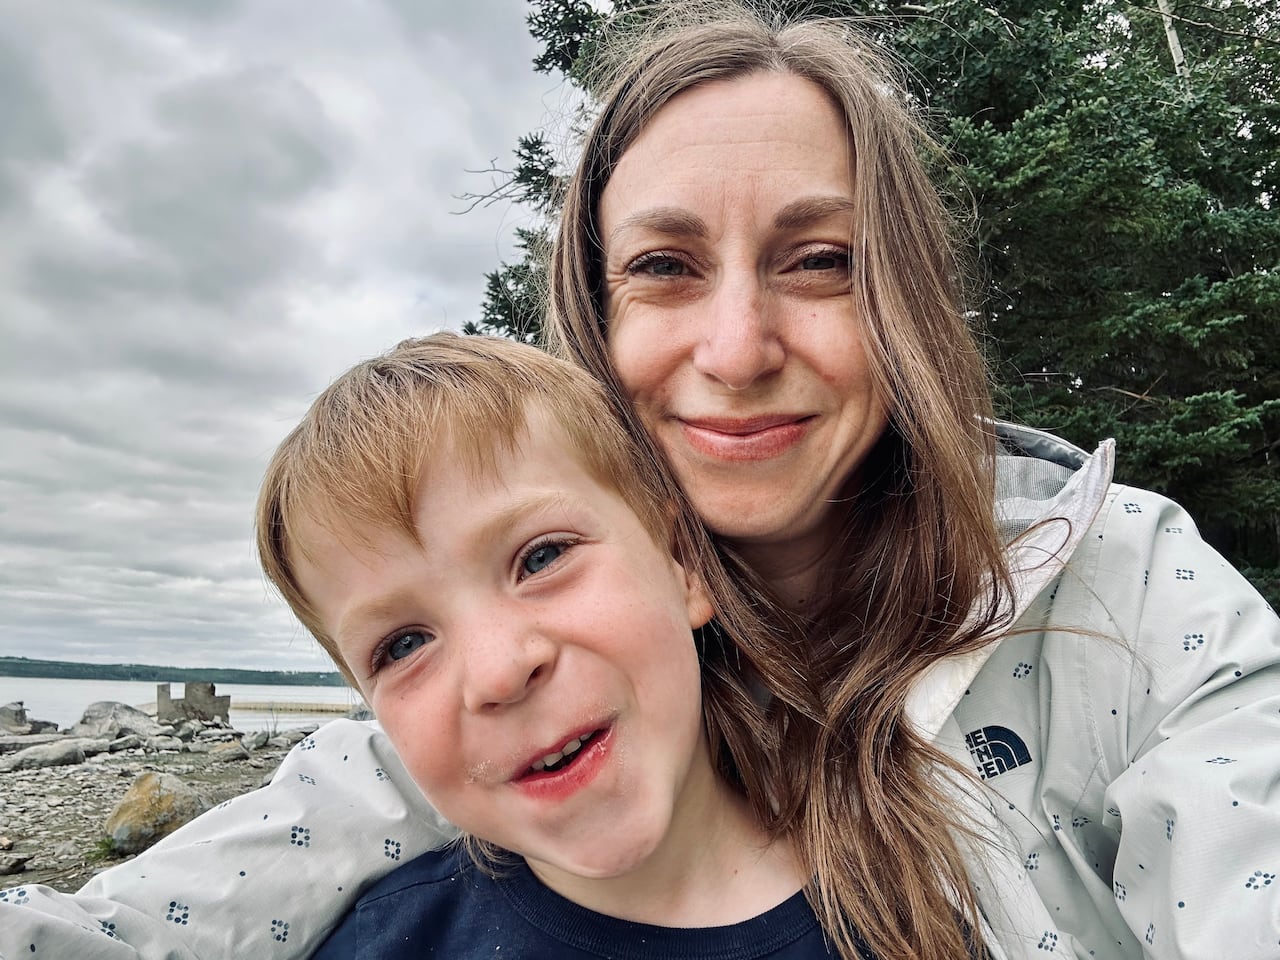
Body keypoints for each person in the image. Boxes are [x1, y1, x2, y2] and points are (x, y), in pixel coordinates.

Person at [3, 3, 1277, 959]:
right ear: (593, 316)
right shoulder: (486, 711)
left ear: (904, 301)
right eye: (663, 268)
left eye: (819, 260)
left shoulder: (1129, 595)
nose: (736, 350)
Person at [255, 332, 851, 959]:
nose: (498, 673)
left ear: (681, 562)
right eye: (403, 646)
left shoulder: (908, 884)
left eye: (541, 558)